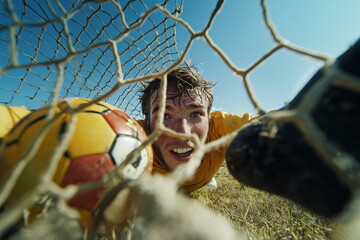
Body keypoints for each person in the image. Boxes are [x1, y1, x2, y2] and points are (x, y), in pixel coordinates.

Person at [139, 63, 256, 192]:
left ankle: (208, 179)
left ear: (209, 121)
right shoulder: (131, 135)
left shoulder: (219, 128)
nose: (183, 132)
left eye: (195, 114)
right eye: (164, 116)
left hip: (203, 179)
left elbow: (268, 123)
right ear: (147, 125)